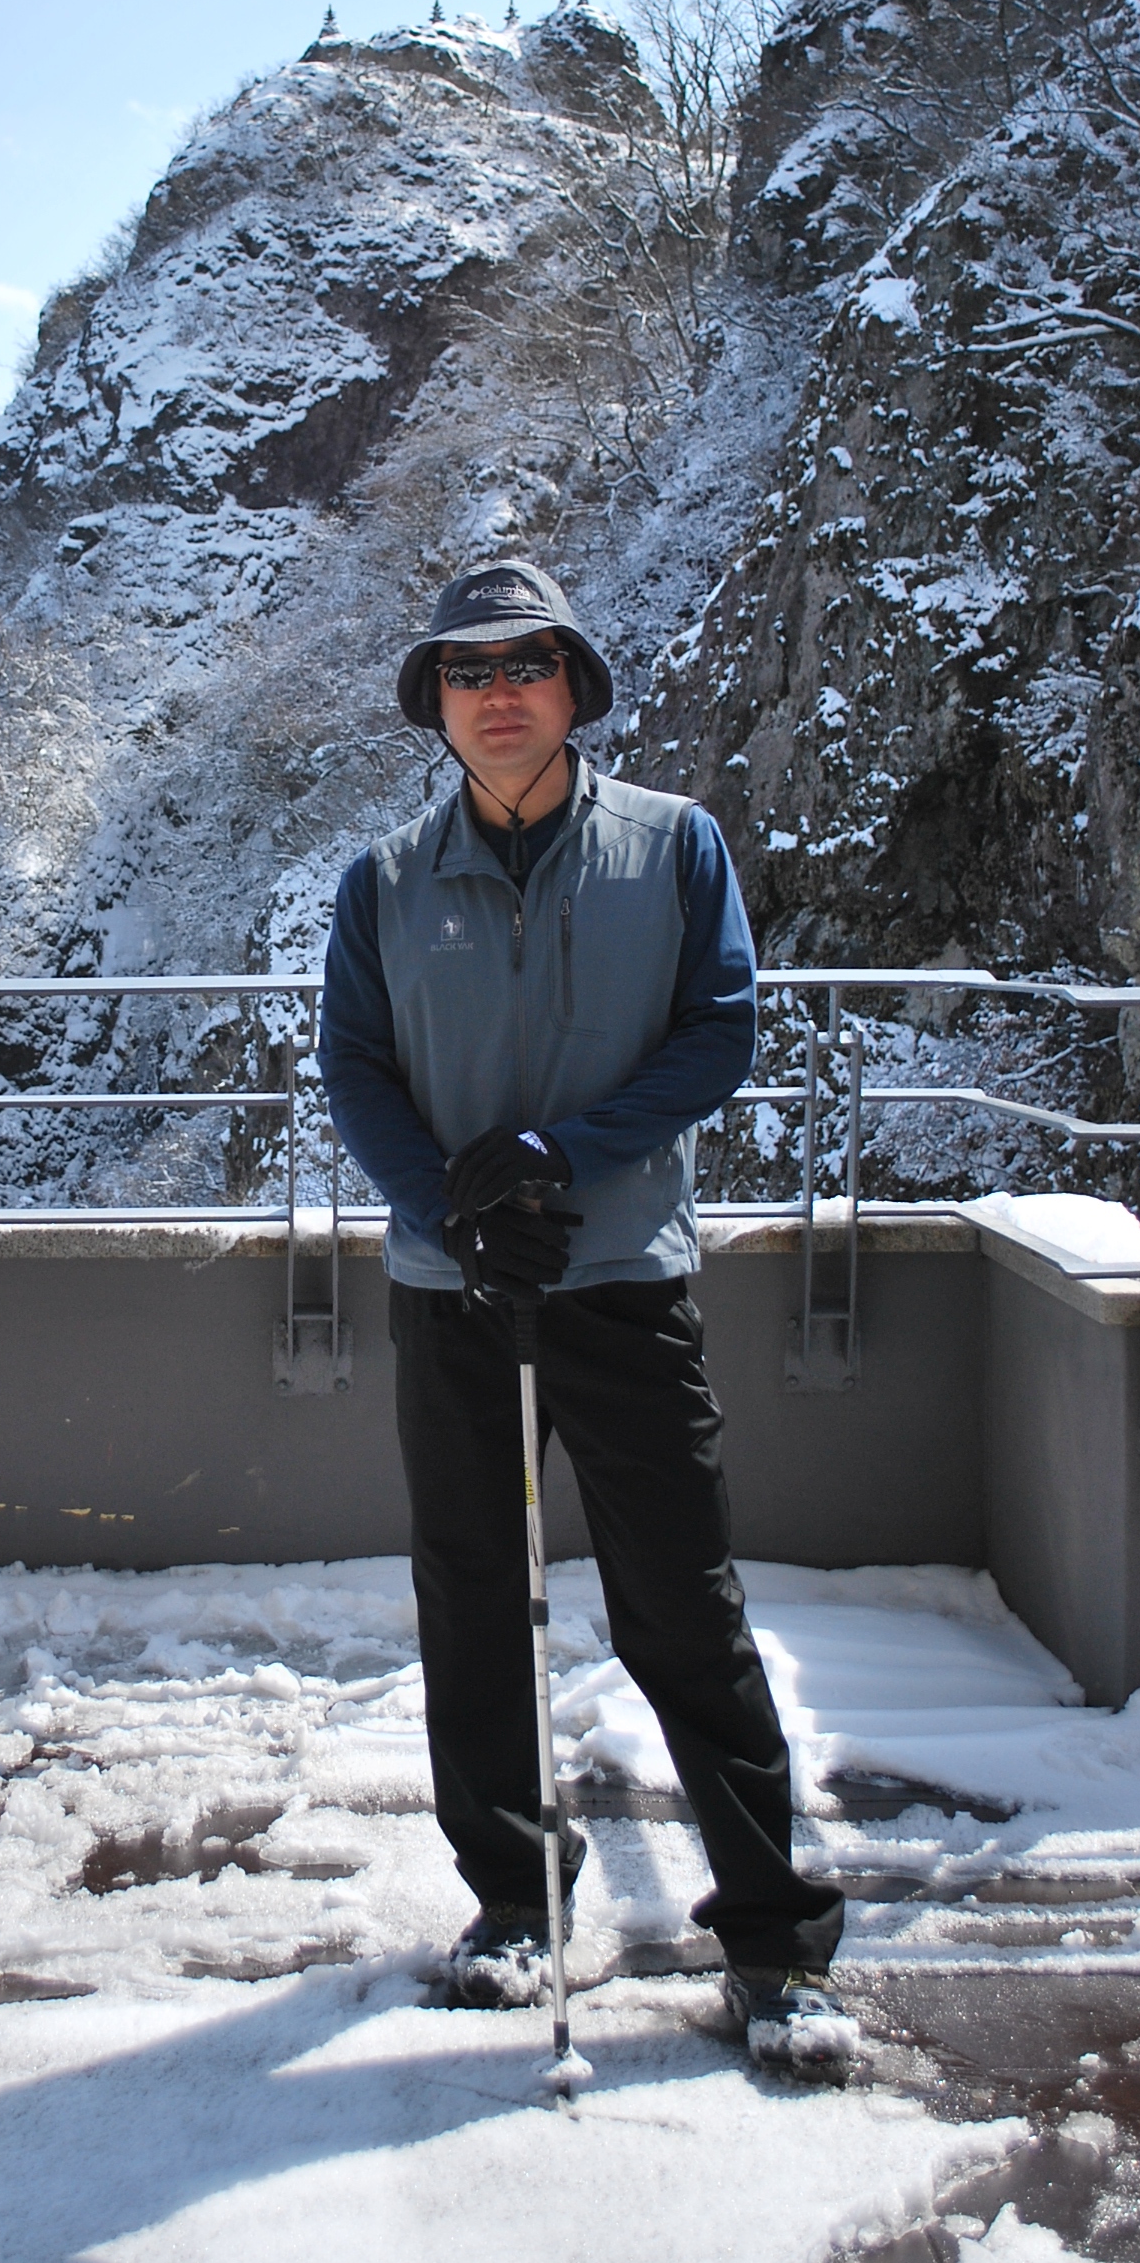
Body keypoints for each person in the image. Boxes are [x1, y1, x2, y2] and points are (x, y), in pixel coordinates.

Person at [318, 556, 849, 2070]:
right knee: (475, 1597)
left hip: (620, 1283)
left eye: (527, 666)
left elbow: (719, 1031)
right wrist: (454, 1209)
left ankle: (772, 1943)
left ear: (574, 689)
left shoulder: (674, 846)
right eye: (468, 672)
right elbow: (357, 1067)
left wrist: (561, 1156)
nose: (499, 696)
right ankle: (512, 1903)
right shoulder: (383, 881)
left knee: (685, 1602)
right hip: (455, 1297)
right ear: (435, 702)